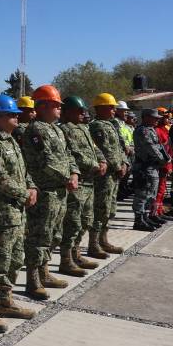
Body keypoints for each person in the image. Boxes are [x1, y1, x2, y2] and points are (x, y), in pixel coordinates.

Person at [0, 94, 38, 332]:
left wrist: (31, 186)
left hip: (16, 212)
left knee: (15, 258)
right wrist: (24, 194)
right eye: (12, 115)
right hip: (0, 212)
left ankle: (6, 302)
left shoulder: (10, 140)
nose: (17, 119)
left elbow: (22, 172)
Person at [20, 84, 79, 291]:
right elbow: (44, 161)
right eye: (56, 105)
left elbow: (68, 154)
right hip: (45, 191)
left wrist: (74, 173)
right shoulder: (36, 130)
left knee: (54, 234)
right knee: (40, 235)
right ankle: (33, 279)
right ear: (43, 106)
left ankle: (45, 272)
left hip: (60, 190)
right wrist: (66, 178)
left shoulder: (56, 130)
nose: (59, 109)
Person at [60, 96, 107, 272]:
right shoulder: (65, 129)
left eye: (83, 111)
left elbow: (94, 148)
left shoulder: (84, 128)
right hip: (78, 182)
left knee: (86, 219)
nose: (83, 114)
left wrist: (102, 160)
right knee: (73, 222)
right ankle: (66, 259)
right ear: (68, 112)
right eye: (79, 111)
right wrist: (95, 165)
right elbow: (73, 153)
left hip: (89, 181)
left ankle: (77, 253)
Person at [88, 93, 128, 257]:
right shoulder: (97, 126)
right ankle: (94, 243)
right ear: (101, 108)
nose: (114, 110)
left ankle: (104, 240)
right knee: (101, 209)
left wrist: (124, 162)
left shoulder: (111, 125)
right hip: (104, 176)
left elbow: (119, 147)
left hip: (114, 174)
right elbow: (105, 149)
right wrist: (117, 165)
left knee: (110, 209)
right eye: (110, 107)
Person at [131, 109, 169, 230]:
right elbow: (151, 148)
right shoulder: (143, 130)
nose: (157, 119)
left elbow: (159, 146)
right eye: (154, 117)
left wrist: (166, 158)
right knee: (142, 194)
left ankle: (146, 217)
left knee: (151, 194)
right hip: (144, 167)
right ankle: (138, 220)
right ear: (146, 117)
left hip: (152, 167)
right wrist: (163, 160)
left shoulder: (151, 129)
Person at [154, 107, 172, 218]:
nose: (168, 119)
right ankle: (155, 211)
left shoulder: (164, 129)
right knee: (159, 189)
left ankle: (159, 210)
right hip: (160, 164)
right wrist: (166, 165)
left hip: (166, 163)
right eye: (165, 117)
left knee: (162, 188)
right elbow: (160, 150)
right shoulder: (157, 131)